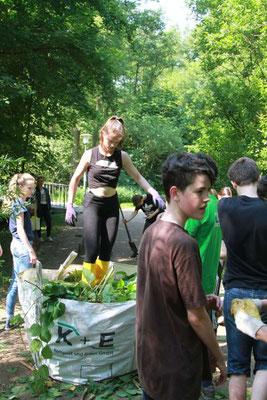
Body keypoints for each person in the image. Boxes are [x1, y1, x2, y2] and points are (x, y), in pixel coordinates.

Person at [136, 152, 226, 400]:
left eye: (208, 191)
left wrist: (200, 297)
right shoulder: (184, 244)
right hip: (175, 369)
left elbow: (162, 294)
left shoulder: (153, 232)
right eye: (200, 191)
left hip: (151, 363)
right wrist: (218, 356)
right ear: (175, 193)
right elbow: (196, 317)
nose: (207, 199)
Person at [65, 116, 165, 285]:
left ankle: (99, 286)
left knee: (106, 249)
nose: (112, 146)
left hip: (111, 205)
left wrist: (152, 191)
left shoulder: (122, 156)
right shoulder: (90, 154)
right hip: (93, 204)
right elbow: (75, 179)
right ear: (102, 134)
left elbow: (138, 177)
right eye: (111, 141)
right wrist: (69, 204)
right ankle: (86, 286)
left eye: (117, 142)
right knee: (92, 247)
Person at [218, 157, 267, 400]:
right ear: (258, 178)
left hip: (236, 292)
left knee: (237, 366)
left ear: (233, 182)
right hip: (266, 294)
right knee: (265, 363)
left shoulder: (224, 206)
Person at [185, 167, 223, 399]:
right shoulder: (217, 204)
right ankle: (206, 379)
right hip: (210, 277)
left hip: (193, 278)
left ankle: (204, 380)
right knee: (206, 327)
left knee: (197, 330)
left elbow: (183, 236)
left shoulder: (199, 209)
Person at [5, 173, 37, 330]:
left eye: (33, 188)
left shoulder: (17, 203)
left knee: (16, 283)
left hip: (15, 244)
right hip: (22, 247)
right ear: (20, 187)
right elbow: (20, 229)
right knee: (27, 285)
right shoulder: (19, 204)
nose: (32, 191)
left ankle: (8, 320)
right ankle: (30, 321)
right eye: (29, 188)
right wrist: (30, 250)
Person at [35, 176, 53, 242]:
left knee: (49, 222)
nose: (41, 182)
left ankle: (48, 236)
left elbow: (48, 199)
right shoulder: (35, 190)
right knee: (39, 222)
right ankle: (39, 236)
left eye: (42, 181)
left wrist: (50, 208)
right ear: (37, 182)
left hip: (46, 206)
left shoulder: (45, 190)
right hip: (39, 207)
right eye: (39, 181)